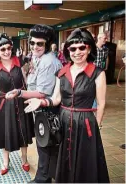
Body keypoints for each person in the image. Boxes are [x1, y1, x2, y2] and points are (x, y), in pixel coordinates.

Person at [24, 28, 109, 183]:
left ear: (89, 48)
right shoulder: (62, 72)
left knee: (85, 161)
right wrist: (41, 102)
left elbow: (101, 103)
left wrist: (96, 125)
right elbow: (56, 99)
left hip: (85, 123)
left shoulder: (98, 73)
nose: (77, 52)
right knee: (65, 159)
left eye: (82, 47)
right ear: (68, 50)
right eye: (73, 48)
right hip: (63, 121)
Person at [6, 25, 62, 183]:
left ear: (47, 44)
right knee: (43, 144)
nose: (35, 46)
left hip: (48, 109)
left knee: (46, 146)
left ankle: (43, 179)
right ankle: (44, 177)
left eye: (40, 43)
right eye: (32, 43)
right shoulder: (37, 59)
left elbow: (42, 92)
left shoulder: (48, 62)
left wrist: (19, 92)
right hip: (40, 109)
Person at [0, 33, 34, 175]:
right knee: (5, 133)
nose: (6, 52)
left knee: (23, 131)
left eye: (8, 48)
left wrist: (32, 97)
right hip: (5, 105)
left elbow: (26, 82)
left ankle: (24, 158)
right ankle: (6, 161)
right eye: (2, 49)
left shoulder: (19, 61)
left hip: (21, 101)